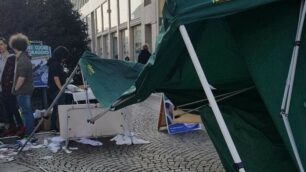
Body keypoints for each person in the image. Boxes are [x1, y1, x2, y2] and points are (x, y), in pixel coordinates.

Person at [9, 33, 34, 136]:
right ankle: (28, 132)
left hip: (22, 91)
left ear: (14, 46)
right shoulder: (23, 58)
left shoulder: (22, 60)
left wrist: (15, 88)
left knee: (26, 112)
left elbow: (21, 78)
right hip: (25, 90)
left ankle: (28, 133)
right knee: (26, 112)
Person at [0, 37, 24, 136]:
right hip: (1, 88)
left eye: (1, 44)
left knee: (14, 108)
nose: (0, 47)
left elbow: (16, 73)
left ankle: (21, 127)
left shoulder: (12, 57)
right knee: (7, 109)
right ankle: (12, 127)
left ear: (6, 45)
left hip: (11, 87)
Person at [47, 46, 69, 131]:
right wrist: (61, 89)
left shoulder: (53, 63)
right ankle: (59, 127)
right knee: (60, 108)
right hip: (56, 90)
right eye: (64, 57)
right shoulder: (55, 64)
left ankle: (54, 127)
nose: (64, 59)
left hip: (54, 89)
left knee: (56, 108)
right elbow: (56, 78)